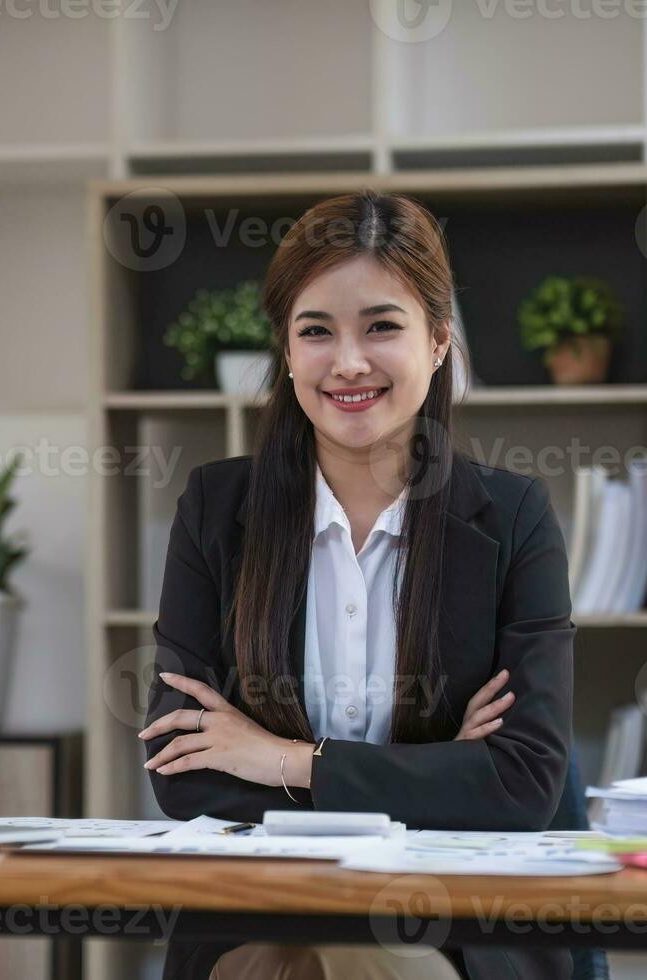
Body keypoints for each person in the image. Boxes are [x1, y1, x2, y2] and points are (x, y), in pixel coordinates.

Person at [140, 189, 576, 980]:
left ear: (440, 341)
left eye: (381, 326)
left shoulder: (513, 519)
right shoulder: (216, 509)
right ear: (286, 349)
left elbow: (522, 782)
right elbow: (183, 769)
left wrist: (283, 759)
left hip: (448, 922)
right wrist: (440, 771)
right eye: (315, 332)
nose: (347, 362)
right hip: (257, 911)